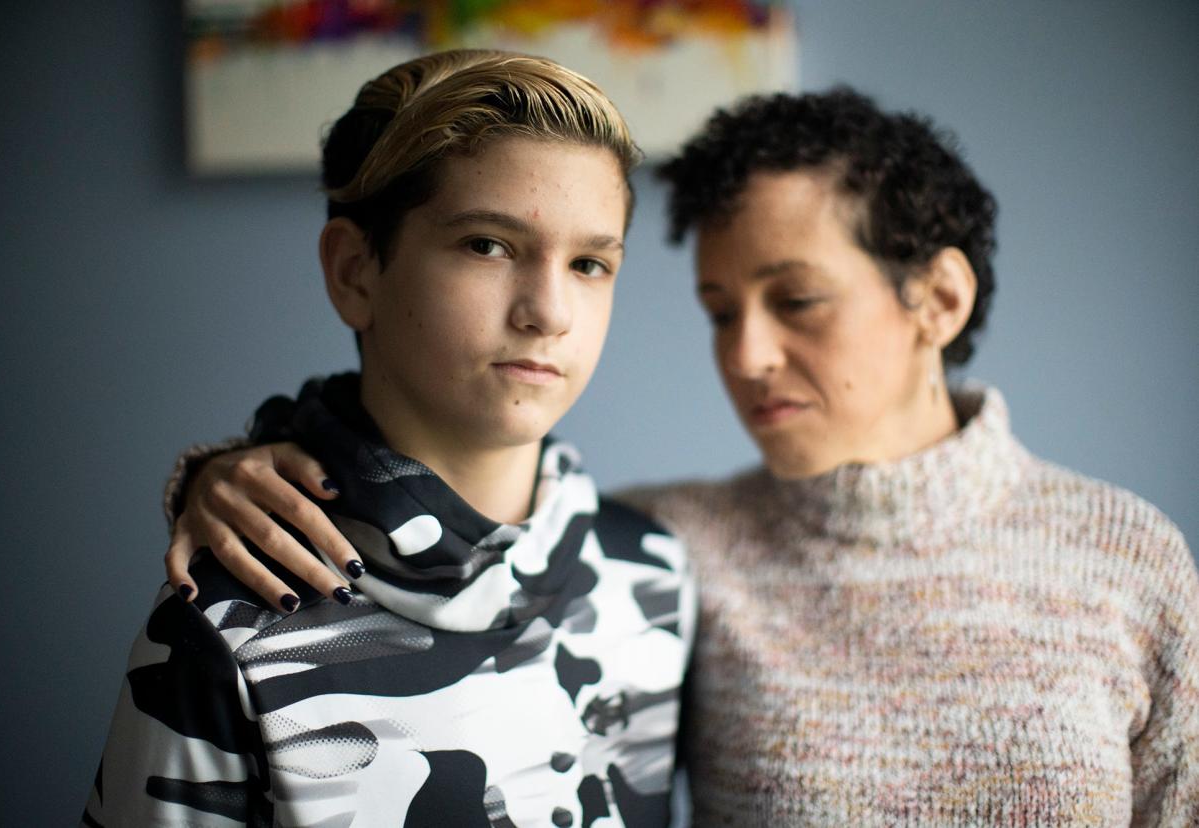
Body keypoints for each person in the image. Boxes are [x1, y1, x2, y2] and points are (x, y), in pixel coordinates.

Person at [163, 89, 1199, 825]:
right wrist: (231, 472)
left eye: (795, 301)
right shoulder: (670, 553)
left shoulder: (1128, 555)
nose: (745, 356)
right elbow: (466, 537)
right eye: (718, 312)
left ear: (938, 299)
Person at [85, 49, 695, 828]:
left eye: (588, 263)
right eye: (487, 244)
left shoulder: (655, 578)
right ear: (354, 271)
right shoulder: (225, 626)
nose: (550, 312)